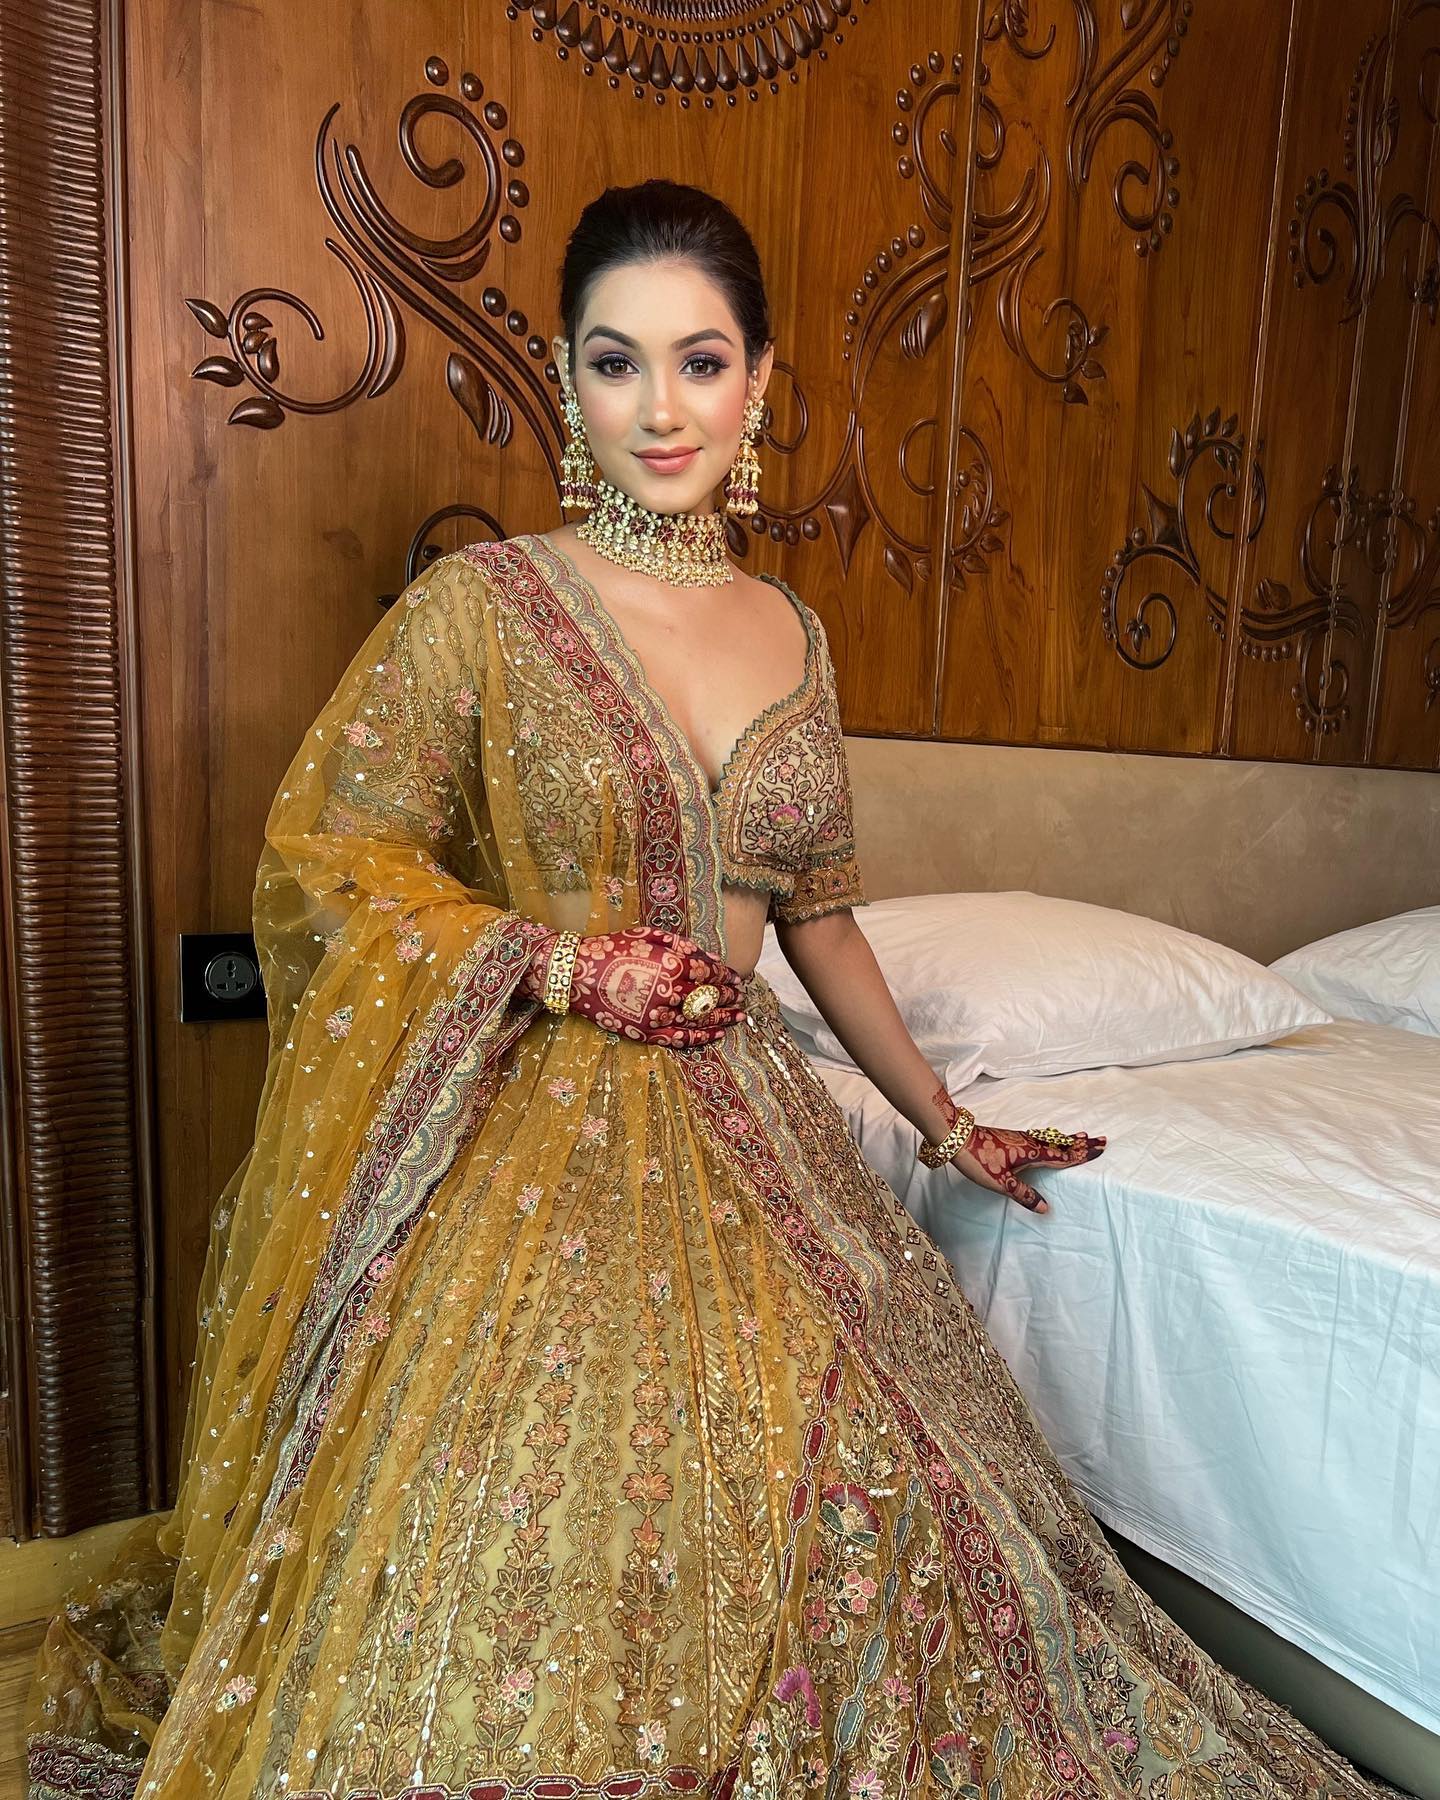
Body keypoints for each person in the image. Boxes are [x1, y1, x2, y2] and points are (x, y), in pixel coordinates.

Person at [27, 179, 1390, 1800]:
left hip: (753, 1115)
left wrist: (947, 1123)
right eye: (617, 363)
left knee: (901, 1493)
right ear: (566, 377)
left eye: (700, 362)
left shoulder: (793, 633)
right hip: (543, 1122)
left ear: (759, 383)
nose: (660, 409)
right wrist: (556, 959)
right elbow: (334, 853)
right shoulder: (488, 608)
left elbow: (823, 923)